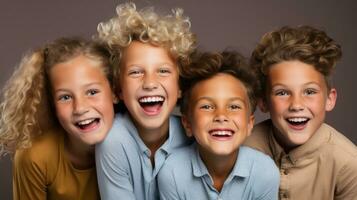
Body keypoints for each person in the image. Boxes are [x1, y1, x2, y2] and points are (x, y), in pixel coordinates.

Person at [94, 2, 196, 200]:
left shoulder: (193, 134)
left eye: (163, 71)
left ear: (181, 85)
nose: (150, 83)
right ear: (117, 90)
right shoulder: (113, 141)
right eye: (136, 72)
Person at [244, 26, 357, 199]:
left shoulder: (349, 164)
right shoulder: (242, 149)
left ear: (330, 99)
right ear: (263, 102)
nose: (296, 105)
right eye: (282, 93)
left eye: (309, 92)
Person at [0, 37, 116, 200]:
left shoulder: (135, 143)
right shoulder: (35, 157)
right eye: (65, 97)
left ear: (115, 92)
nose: (80, 108)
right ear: (52, 105)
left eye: (92, 92)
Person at [158, 51, 280, 200]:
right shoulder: (172, 172)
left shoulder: (265, 172)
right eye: (207, 107)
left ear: (249, 124)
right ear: (188, 124)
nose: (221, 116)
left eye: (234, 107)